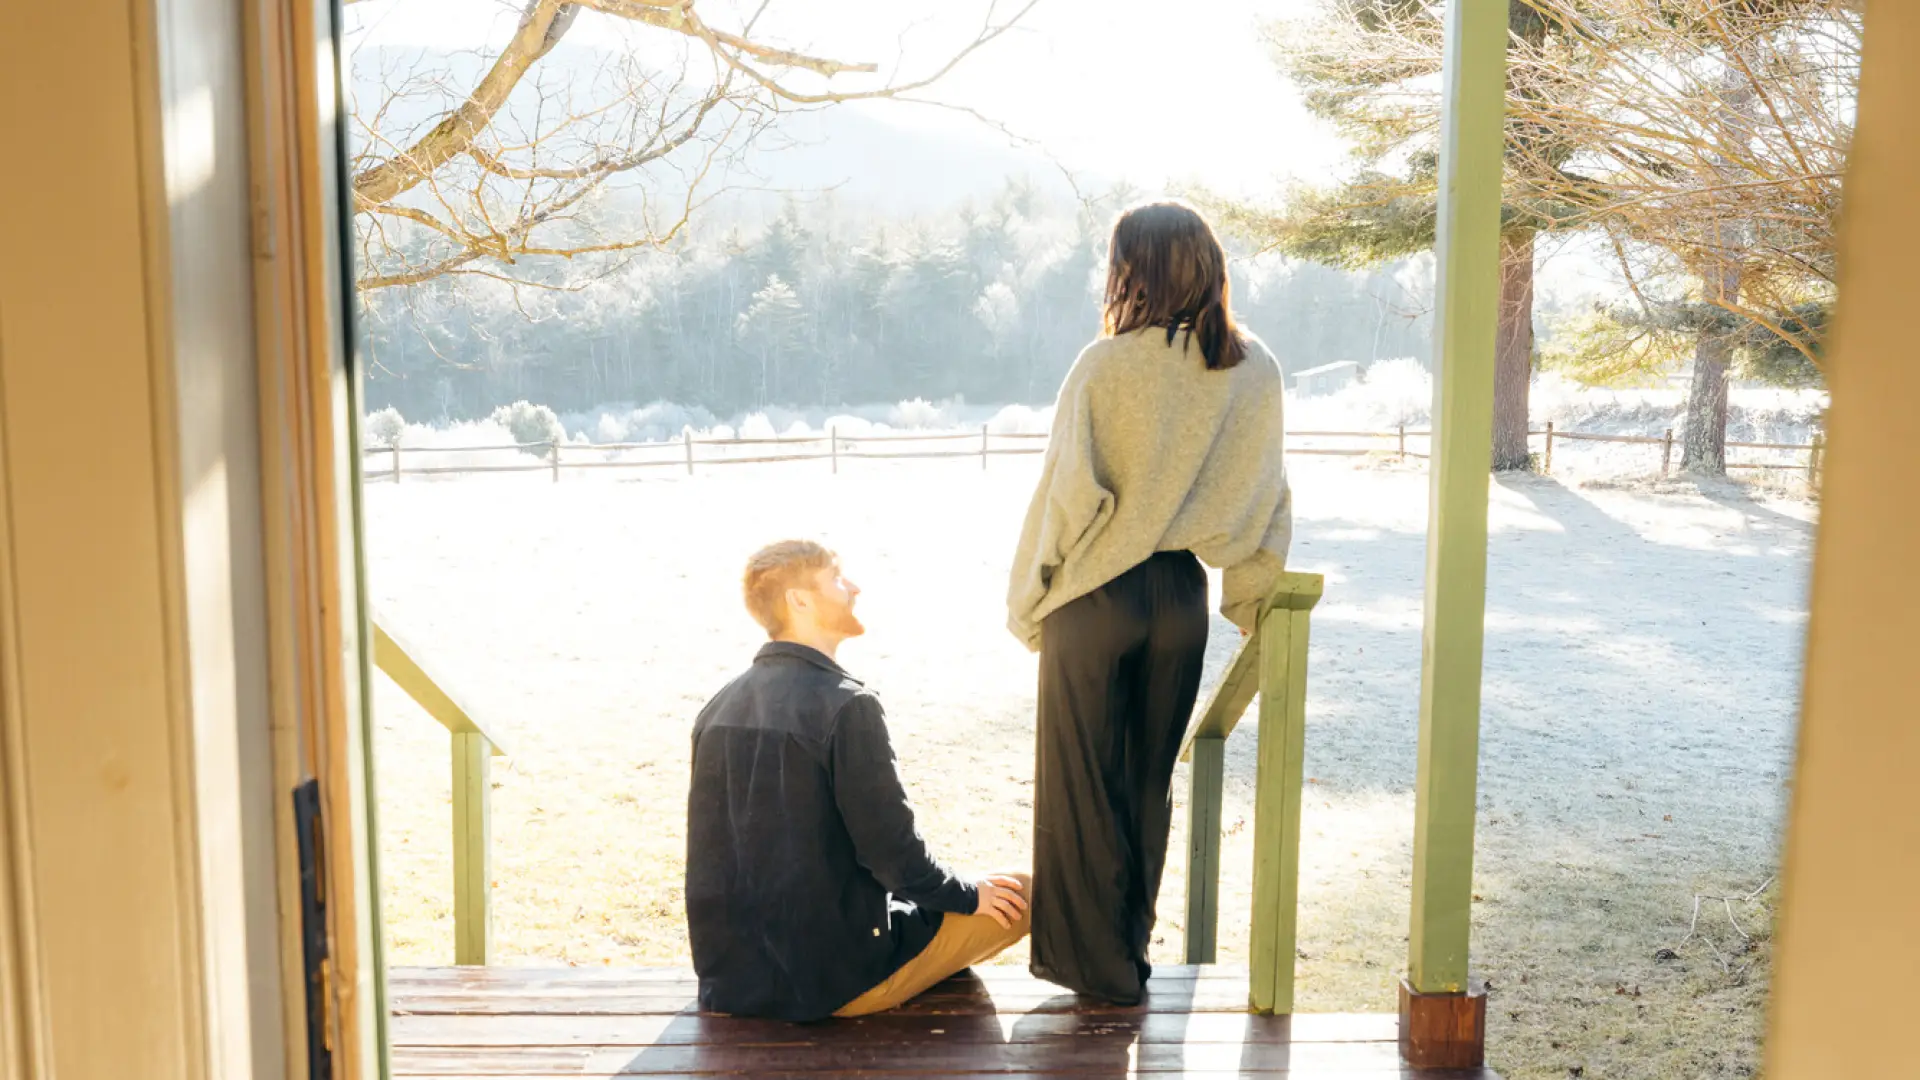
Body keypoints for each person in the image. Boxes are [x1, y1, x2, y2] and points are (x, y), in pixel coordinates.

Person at [1006, 200, 1292, 1004]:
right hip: (1178, 595)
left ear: (1130, 269)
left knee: (1080, 782)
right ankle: (1129, 953)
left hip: (1095, 595)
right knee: (1145, 781)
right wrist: (1250, 592)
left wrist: (1029, 600)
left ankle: (1095, 971)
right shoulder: (1253, 369)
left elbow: (1066, 499)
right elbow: (1264, 494)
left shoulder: (1105, 366)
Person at [686, 539, 1031, 1022]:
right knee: (1022, 892)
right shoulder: (848, 704)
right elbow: (894, 858)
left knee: (947, 896)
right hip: (833, 983)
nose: (854, 588)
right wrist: (971, 896)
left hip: (732, 983)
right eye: (837, 578)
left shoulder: (717, 707)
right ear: (799, 601)